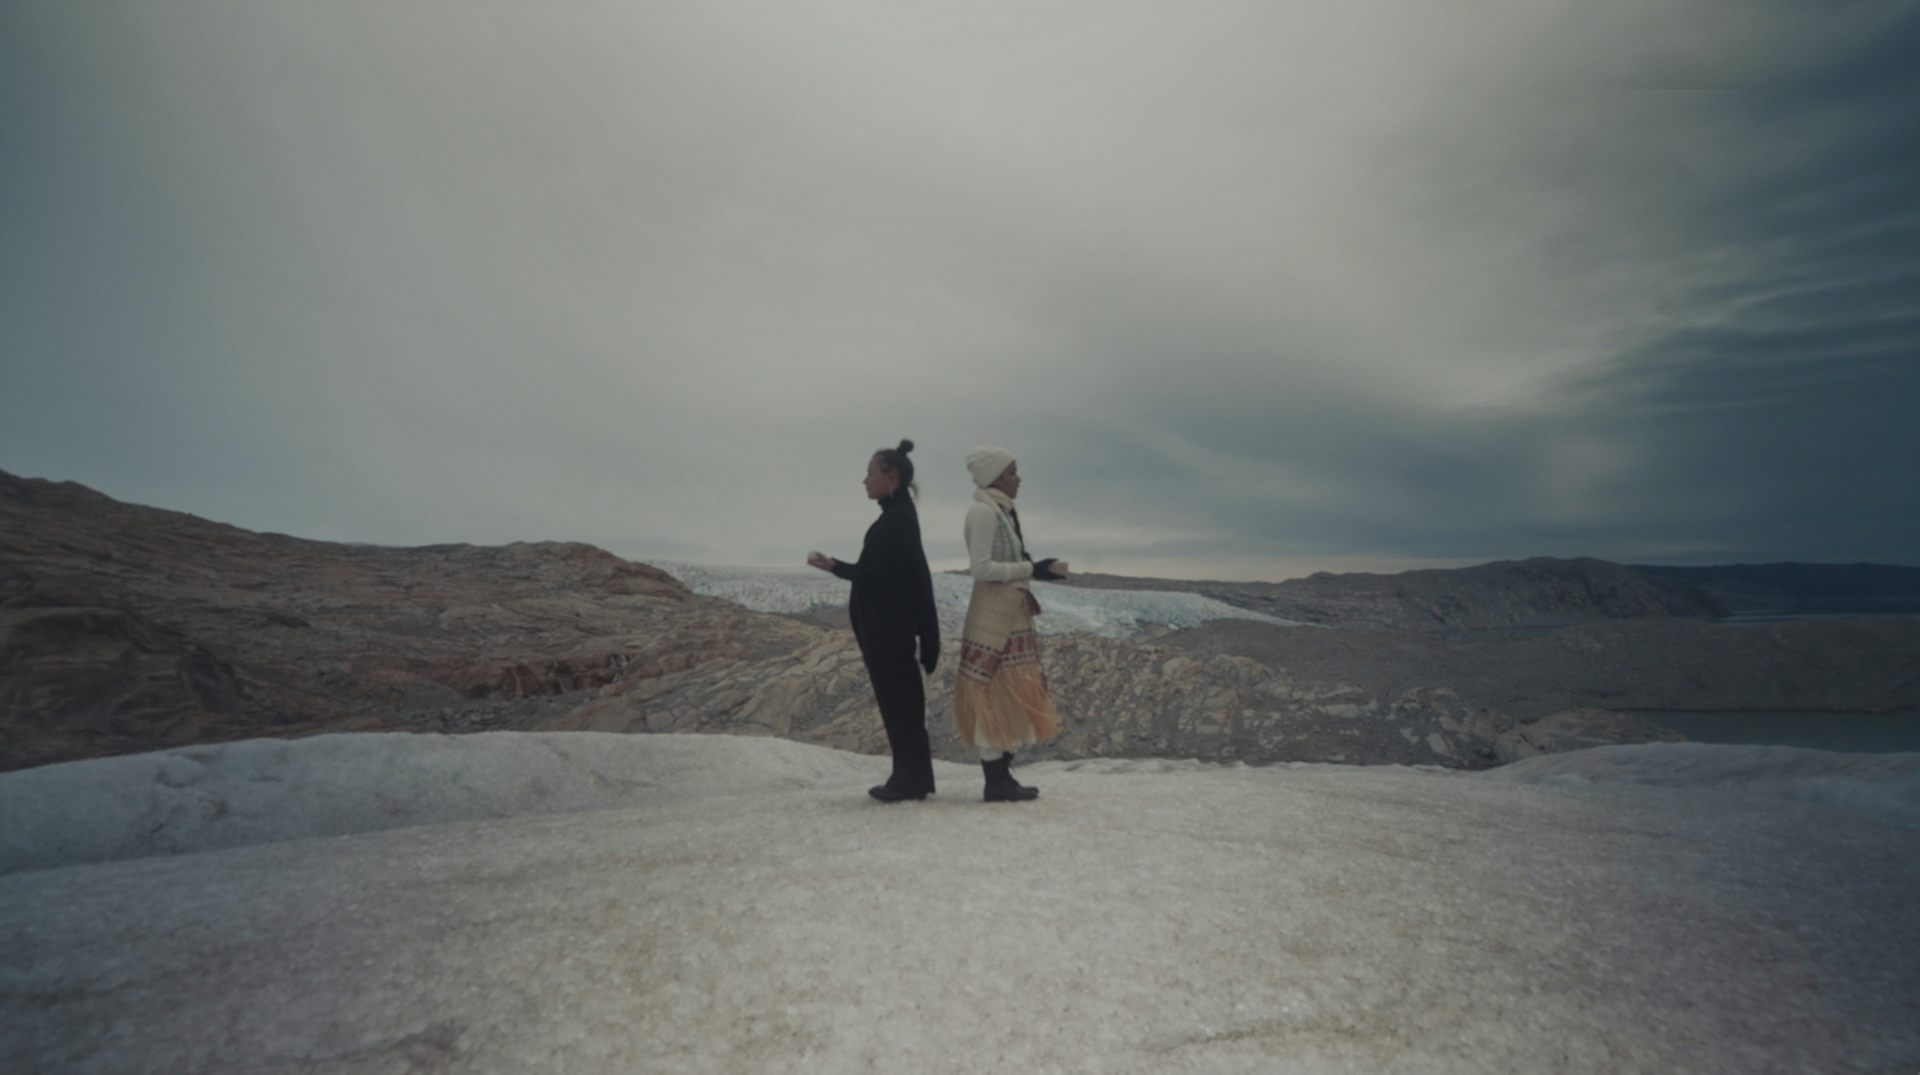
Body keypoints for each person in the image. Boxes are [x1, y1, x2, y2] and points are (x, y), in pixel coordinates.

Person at [808, 440, 941, 803]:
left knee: (900, 703)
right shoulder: (896, 515)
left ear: (891, 476)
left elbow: (877, 575)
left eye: (870, 473)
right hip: (890, 630)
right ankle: (911, 777)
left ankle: (909, 780)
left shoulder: (897, 519)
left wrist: (834, 566)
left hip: (890, 631)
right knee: (901, 703)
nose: (864, 480)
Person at [955, 446, 1066, 803]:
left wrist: (1040, 570)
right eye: (1011, 472)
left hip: (1006, 610)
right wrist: (1031, 569)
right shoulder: (984, 513)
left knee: (1005, 692)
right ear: (993, 477)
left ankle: (1002, 777)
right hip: (993, 612)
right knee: (990, 691)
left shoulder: (1001, 511)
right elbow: (981, 568)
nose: (1018, 479)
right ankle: (995, 781)